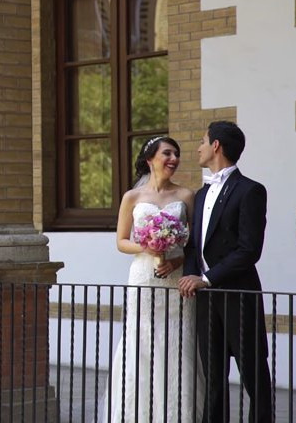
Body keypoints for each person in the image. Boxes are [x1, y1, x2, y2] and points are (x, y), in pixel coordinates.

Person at [100, 136, 205, 423]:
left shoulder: (186, 196)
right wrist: (147, 247)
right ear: (150, 159)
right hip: (144, 277)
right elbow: (121, 241)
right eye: (167, 153)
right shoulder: (132, 198)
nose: (174, 159)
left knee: (176, 341)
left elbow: (194, 244)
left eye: (177, 154)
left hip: (175, 278)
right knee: (142, 339)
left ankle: (176, 414)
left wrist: (175, 260)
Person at [178, 121, 273, 423]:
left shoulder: (250, 191)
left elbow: (249, 250)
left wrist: (205, 278)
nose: (198, 147)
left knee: (253, 371)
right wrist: (190, 276)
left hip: (238, 294)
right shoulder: (201, 194)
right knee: (214, 374)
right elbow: (194, 246)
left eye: (202, 141)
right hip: (205, 299)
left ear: (216, 146)